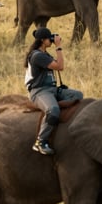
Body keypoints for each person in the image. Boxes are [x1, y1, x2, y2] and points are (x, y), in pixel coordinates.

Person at [24, 27, 83, 156]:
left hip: (52, 90)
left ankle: (57, 114)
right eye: (49, 38)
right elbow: (60, 67)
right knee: (53, 110)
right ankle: (40, 141)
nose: (51, 40)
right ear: (42, 40)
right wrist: (58, 46)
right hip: (39, 91)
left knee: (78, 95)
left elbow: (58, 65)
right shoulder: (37, 56)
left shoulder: (44, 55)